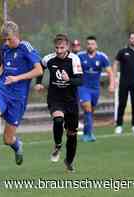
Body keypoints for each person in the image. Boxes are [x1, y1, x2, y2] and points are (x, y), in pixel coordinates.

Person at [0, 21, 43, 172]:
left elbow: (39, 70)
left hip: (18, 98)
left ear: (17, 36)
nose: (6, 42)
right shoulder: (5, 48)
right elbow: (3, 66)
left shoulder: (26, 47)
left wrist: (17, 78)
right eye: (4, 39)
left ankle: (17, 146)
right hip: (2, 90)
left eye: (9, 39)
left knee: (7, 139)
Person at [35, 34, 83, 172]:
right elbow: (40, 67)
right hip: (55, 98)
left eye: (62, 47)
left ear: (67, 47)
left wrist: (69, 79)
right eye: (57, 47)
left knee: (72, 134)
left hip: (71, 101)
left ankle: (69, 161)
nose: (59, 50)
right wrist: (38, 83)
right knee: (58, 120)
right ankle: (57, 145)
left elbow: (80, 81)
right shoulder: (49, 59)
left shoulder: (74, 59)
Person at [77, 36, 115, 142]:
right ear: (86, 45)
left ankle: (86, 131)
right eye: (88, 44)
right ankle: (88, 134)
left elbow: (110, 72)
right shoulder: (80, 56)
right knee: (87, 108)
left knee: (90, 111)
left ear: (96, 45)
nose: (90, 46)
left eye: (92, 44)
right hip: (83, 87)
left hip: (95, 89)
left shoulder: (102, 57)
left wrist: (112, 84)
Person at [113, 32, 134, 134]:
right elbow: (115, 63)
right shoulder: (122, 52)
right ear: (129, 40)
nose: (133, 40)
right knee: (121, 104)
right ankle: (119, 125)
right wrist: (115, 78)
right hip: (123, 82)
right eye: (132, 38)